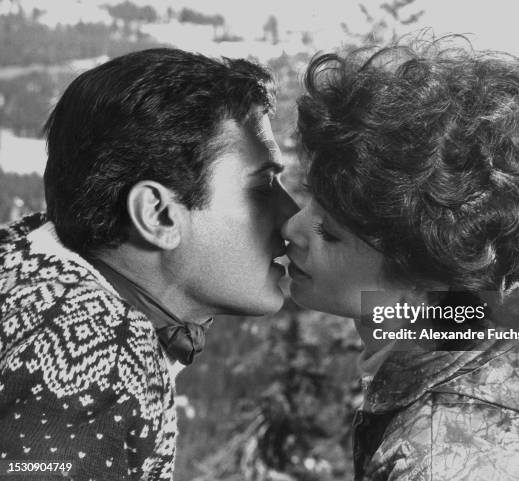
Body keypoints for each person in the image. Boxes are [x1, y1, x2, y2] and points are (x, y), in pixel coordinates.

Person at [282, 39, 519, 480]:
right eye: (311, 203)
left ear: (424, 273)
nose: (293, 230)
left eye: (330, 233)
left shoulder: (436, 462)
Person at [0, 48, 297, 480]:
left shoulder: (33, 266)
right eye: (262, 186)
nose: (291, 215)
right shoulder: (96, 353)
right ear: (157, 215)